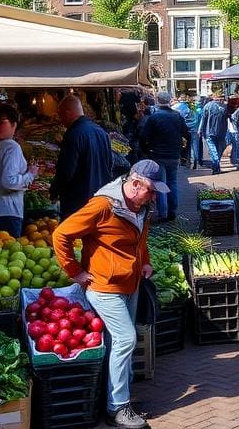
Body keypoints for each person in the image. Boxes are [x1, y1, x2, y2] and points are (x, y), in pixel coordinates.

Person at [52, 160, 168, 429]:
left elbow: (141, 238)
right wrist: (75, 272)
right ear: (135, 183)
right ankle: (117, 407)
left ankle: (122, 396)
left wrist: (146, 261)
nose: (154, 196)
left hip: (131, 283)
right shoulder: (103, 206)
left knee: (120, 342)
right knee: (126, 338)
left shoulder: (142, 206)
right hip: (104, 287)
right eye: (150, 190)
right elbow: (61, 235)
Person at [0, 104, 36, 237]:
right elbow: (9, 182)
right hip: (6, 214)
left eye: (1, 123)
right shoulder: (11, 147)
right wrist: (30, 174)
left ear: (14, 124)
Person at [51, 95, 114, 218]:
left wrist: (55, 191)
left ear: (68, 113)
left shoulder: (73, 135)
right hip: (99, 198)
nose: (60, 120)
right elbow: (110, 164)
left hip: (78, 202)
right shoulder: (101, 132)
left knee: (76, 236)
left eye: (61, 115)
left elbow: (66, 172)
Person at [137, 91, 190, 221]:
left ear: (157, 100)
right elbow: (187, 135)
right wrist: (184, 152)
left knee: (161, 183)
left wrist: (146, 151)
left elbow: (144, 137)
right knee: (172, 182)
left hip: (158, 155)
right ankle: (172, 211)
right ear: (170, 101)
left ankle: (163, 213)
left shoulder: (154, 117)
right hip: (173, 155)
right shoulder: (177, 116)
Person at [197, 91, 228, 175]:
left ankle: (216, 165)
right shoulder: (224, 106)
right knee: (219, 149)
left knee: (213, 149)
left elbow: (203, 119)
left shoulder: (208, 106)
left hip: (209, 131)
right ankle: (216, 165)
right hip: (221, 131)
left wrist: (199, 130)